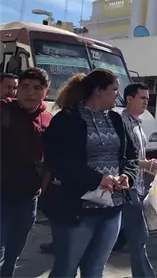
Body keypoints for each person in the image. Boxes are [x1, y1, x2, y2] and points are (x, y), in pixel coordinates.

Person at [43, 69, 139, 278]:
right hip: (77, 211)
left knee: (95, 270)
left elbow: (131, 157)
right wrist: (98, 179)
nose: (118, 94)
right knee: (65, 270)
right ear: (98, 91)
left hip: (112, 209)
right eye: (114, 89)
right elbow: (59, 162)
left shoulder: (116, 119)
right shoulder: (67, 120)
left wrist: (127, 176)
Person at [0, 68, 52, 278]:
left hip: (28, 196)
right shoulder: (3, 110)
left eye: (37, 88)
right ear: (17, 89)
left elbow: (50, 159)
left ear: (46, 92)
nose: (30, 92)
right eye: (25, 87)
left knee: (16, 245)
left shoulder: (48, 120)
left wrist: (42, 187)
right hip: (2, 192)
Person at [113, 82, 157, 277]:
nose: (146, 102)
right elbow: (118, 156)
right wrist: (145, 165)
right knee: (139, 236)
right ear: (129, 98)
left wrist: (153, 169)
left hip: (137, 185)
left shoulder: (137, 123)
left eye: (147, 99)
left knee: (130, 236)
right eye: (142, 98)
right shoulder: (121, 122)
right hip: (126, 187)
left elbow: (138, 157)